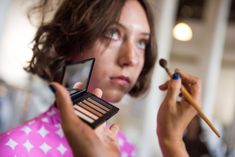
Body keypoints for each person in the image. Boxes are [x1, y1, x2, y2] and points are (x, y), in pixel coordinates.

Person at [0, 0, 201, 156]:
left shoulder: (125, 148)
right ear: (71, 41)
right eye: (112, 33)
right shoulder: (12, 149)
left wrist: (172, 141)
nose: (130, 58)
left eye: (141, 43)